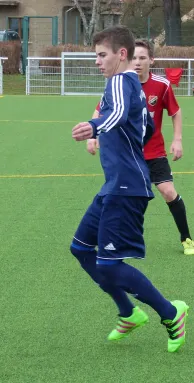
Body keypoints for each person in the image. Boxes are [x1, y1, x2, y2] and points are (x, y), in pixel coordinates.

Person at [70, 26, 188, 353]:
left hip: (127, 187)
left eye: (101, 54)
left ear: (121, 55)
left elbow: (120, 113)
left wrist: (95, 126)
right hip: (115, 185)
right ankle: (129, 312)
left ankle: (170, 312)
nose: (97, 61)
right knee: (80, 249)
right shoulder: (128, 85)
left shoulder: (122, 81)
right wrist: (125, 133)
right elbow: (145, 124)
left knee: (108, 264)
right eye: (96, 55)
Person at [87, 39, 193, 255]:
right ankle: (99, 237)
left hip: (153, 152)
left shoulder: (161, 85)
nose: (137, 62)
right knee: (114, 195)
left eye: (142, 58)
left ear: (151, 60)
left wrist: (177, 139)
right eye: (134, 57)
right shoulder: (120, 83)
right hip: (126, 155)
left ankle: (187, 238)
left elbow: (175, 112)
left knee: (168, 191)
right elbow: (99, 110)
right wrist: (92, 136)